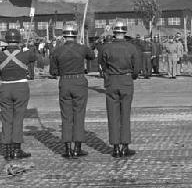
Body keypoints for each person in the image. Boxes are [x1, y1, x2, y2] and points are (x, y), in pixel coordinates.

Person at [49, 24, 96, 159]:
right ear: (75, 35)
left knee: (66, 117)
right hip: (79, 81)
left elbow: (53, 71)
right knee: (79, 116)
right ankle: (77, 148)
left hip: (64, 82)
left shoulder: (57, 50)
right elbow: (92, 56)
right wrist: (83, 47)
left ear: (64, 35)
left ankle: (67, 149)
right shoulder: (81, 48)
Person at [99, 20, 139, 158]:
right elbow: (137, 69)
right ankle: (125, 145)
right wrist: (131, 76)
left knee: (113, 115)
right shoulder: (131, 48)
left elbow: (102, 66)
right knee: (125, 114)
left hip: (111, 81)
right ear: (125, 32)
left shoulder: (105, 48)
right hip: (126, 80)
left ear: (114, 32)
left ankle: (115, 147)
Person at [0, 29, 36, 160]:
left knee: (6, 118)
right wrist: (27, 49)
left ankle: (7, 150)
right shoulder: (25, 54)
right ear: (19, 40)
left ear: (6, 39)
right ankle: (17, 150)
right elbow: (35, 58)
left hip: (5, 87)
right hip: (20, 87)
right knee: (18, 118)